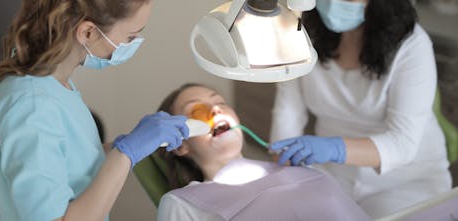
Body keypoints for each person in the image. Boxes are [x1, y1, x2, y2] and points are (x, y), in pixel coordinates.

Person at [0, 0, 189, 221]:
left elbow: (67, 162)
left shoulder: (51, 81)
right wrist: (125, 153)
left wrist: (132, 144)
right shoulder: (30, 105)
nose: (133, 44)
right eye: (130, 36)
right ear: (89, 32)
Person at [269, 0, 452, 218]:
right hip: (333, 174)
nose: (332, 4)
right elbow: (288, 111)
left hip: (406, 179)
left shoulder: (411, 46)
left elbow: (402, 144)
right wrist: (283, 161)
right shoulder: (304, 33)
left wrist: (334, 148)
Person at [155, 83, 370, 221]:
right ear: (180, 145)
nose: (216, 110)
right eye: (197, 110)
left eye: (220, 102)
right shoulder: (182, 204)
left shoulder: (300, 168)